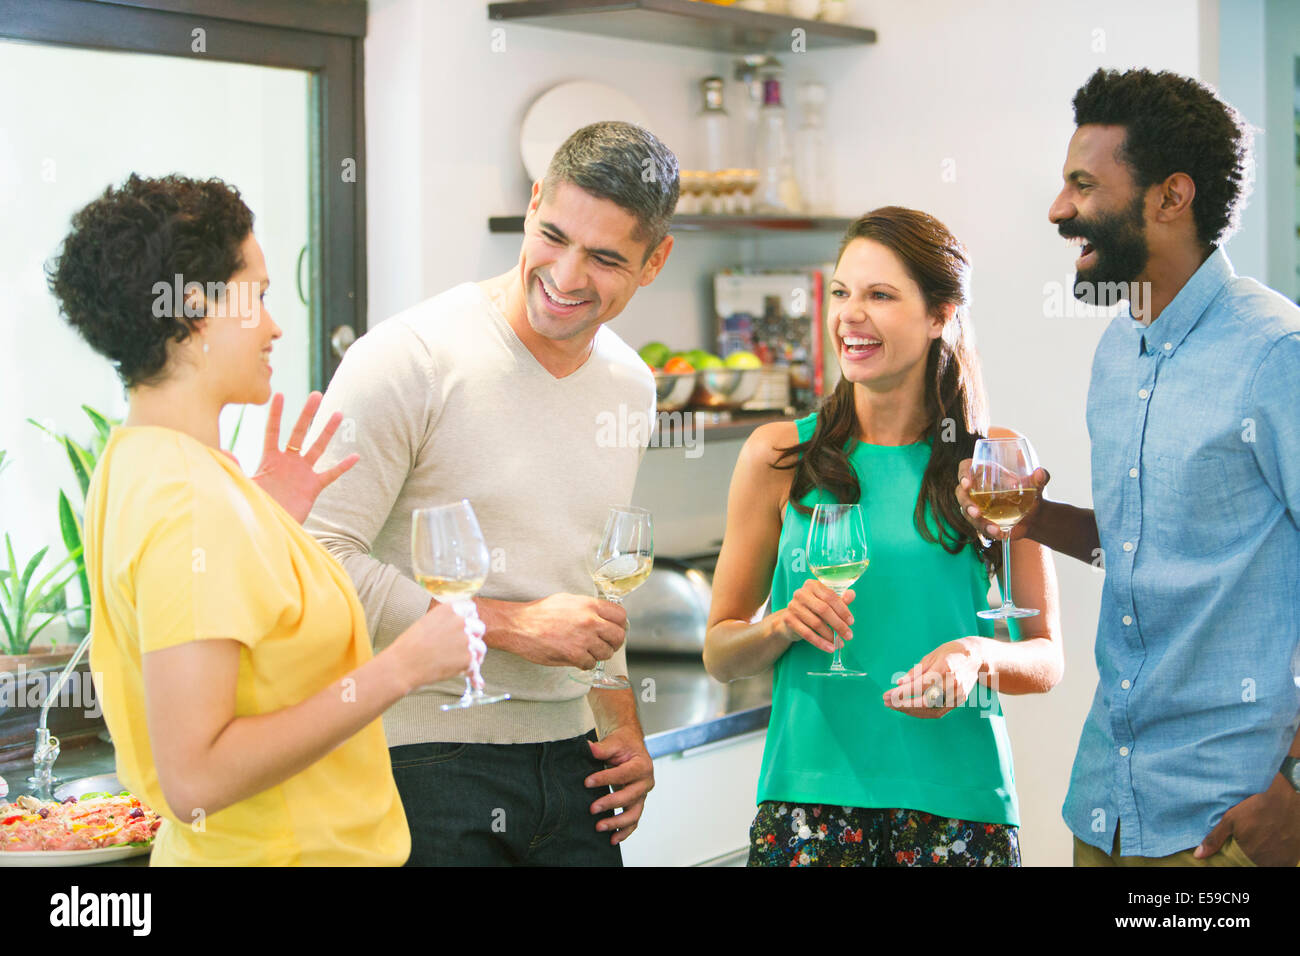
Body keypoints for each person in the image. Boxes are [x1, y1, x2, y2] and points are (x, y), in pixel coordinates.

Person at [49, 173, 472, 865]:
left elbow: (231, 637)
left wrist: (264, 519)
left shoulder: (139, 461)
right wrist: (405, 667)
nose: (275, 326)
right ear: (193, 309)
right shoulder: (192, 500)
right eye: (260, 297)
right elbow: (196, 778)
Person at [303, 122, 676, 865]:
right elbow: (314, 556)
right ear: (534, 201)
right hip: (421, 759)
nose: (567, 277)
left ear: (655, 261)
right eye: (553, 235)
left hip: (577, 765)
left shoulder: (631, 385)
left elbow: (594, 579)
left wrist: (618, 712)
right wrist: (504, 624)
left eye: (605, 258)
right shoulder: (408, 358)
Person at [958, 67, 1300, 867]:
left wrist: (1296, 784)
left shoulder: (1277, 353)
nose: (1058, 209)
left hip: (1229, 823)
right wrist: (1036, 520)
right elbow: (1142, 547)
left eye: (1084, 183)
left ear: (1170, 197)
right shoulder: (1119, 349)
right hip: (1108, 807)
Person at [704, 206, 1063, 867]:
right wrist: (782, 625)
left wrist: (973, 657)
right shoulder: (777, 456)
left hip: (959, 803)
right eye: (841, 293)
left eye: (879, 295)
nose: (849, 315)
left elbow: (1044, 660)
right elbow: (722, 654)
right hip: (805, 803)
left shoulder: (994, 460)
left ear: (940, 315)